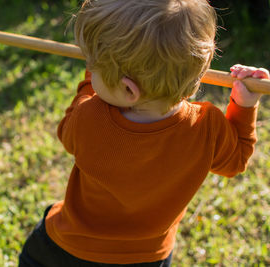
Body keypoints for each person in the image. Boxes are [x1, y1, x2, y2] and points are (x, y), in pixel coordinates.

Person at [19, 0, 269, 266]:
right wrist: (244, 105)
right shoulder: (208, 127)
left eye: (95, 67)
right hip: (148, 258)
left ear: (129, 90)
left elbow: (66, 134)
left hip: (67, 249)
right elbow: (236, 160)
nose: (90, 70)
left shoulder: (90, 116)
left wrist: (88, 83)